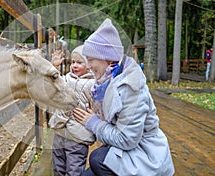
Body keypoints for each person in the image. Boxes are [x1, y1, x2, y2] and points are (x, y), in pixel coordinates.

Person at [73, 18, 175, 176]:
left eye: (91, 60)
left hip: (146, 156)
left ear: (107, 59)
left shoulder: (130, 88)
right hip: (127, 151)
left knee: (98, 158)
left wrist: (93, 122)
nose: (89, 65)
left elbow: (126, 139)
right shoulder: (106, 81)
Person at [48, 45, 96, 176]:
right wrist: (54, 67)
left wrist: (94, 117)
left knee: (74, 168)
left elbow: (96, 105)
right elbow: (53, 82)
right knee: (58, 166)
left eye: (80, 63)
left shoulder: (93, 84)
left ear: (89, 64)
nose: (75, 65)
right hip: (60, 130)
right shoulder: (67, 79)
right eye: (73, 62)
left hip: (77, 135)